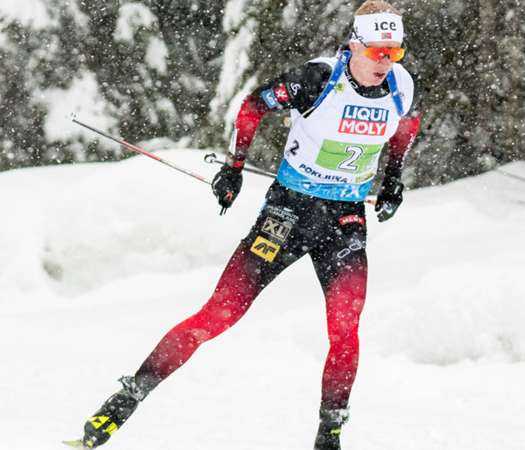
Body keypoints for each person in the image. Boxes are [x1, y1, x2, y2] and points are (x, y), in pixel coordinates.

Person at [71, 2, 420, 449]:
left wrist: (392, 179)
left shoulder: (401, 85)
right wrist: (235, 166)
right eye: (377, 52)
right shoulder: (317, 78)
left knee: (344, 330)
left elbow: (407, 125)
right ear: (354, 44)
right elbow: (253, 106)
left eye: (395, 52)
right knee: (219, 315)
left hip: (345, 219)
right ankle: (123, 402)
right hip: (288, 213)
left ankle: (329, 436)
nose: (386, 63)